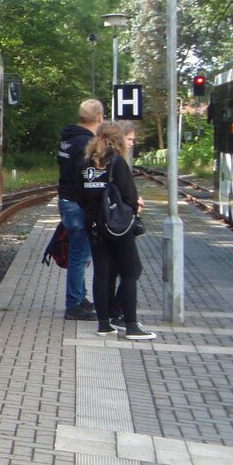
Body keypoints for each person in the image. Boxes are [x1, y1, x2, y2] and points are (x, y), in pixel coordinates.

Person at [79, 121, 155, 340]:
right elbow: (129, 195)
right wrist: (136, 204)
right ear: (118, 140)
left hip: (93, 224)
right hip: (117, 226)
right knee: (129, 272)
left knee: (102, 273)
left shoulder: (86, 164)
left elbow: (78, 194)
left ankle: (104, 325)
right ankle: (131, 325)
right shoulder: (117, 162)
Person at [57, 99, 103, 320]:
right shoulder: (86, 142)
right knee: (79, 255)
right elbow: (85, 178)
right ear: (100, 117)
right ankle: (74, 304)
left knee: (79, 253)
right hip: (77, 204)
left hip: (66, 201)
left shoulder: (68, 139)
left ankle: (80, 297)